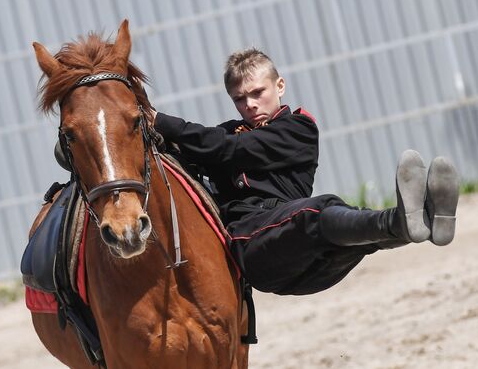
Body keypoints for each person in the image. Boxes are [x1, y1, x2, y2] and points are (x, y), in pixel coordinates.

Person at [152, 48, 460, 295]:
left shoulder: (298, 128)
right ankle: (405, 218)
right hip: (258, 251)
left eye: (258, 92)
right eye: (240, 99)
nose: (250, 104)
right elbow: (193, 151)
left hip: (303, 249)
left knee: (339, 230)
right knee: (319, 213)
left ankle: (418, 222)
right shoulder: (225, 134)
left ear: (280, 86)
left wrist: (162, 120)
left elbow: (229, 149)